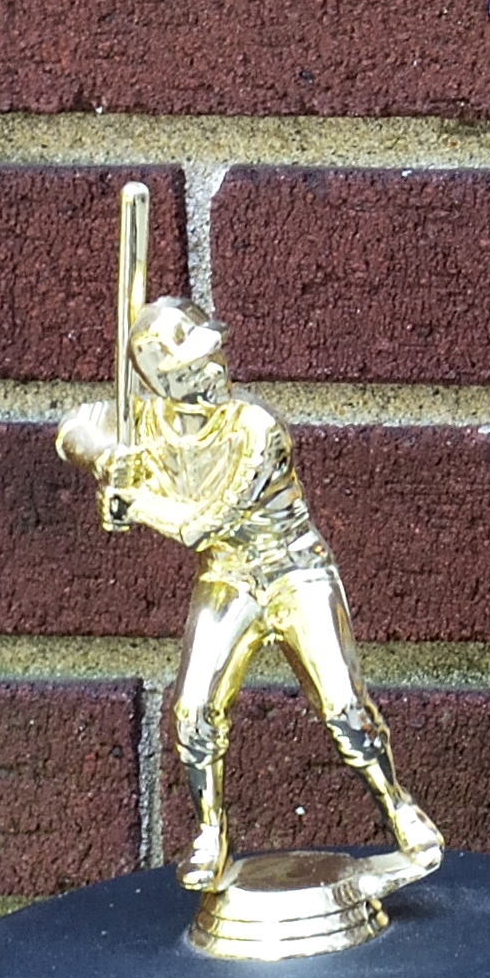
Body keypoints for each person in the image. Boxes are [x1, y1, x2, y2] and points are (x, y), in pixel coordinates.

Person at [57, 295, 442, 891]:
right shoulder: (146, 423)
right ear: (163, 382)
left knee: (344, 708)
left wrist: (137, 501)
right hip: (230, 578)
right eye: (190, 368)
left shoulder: (257, 428)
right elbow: (74, 427)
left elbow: (206, 521)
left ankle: (401, 809)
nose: (212, 370)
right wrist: (108, 460)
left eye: (210, 356)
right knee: (192, 709)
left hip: (295, 571)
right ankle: (210, 833)